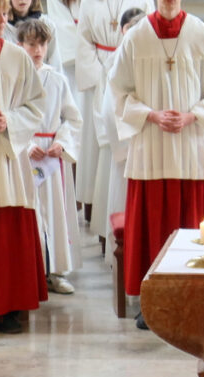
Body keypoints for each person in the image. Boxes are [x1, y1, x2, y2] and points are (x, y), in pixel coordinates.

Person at [108, 0, 204, 328]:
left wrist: (192, 116)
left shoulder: (202, 35)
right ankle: (151, 305)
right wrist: (151, 115)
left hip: (190, 148)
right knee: (151, 226)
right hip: (150, 147)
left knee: (190, 224)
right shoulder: (135, 37)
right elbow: (117, 91)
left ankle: (194, 302)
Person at [19, 18, 82, 295]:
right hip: (24, 156)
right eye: (31, 44)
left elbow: (73, 118)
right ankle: (29, 273)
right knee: (29, 214)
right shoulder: (14, 79)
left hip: (51, 157)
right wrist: (26, 144)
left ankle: (55, 272)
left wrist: (62, 142)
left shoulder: (57, 79)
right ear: (20, 45)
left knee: (55, 215)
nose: (37, 50)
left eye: (42, 44)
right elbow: (10, 119)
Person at [0, 0, 47, 335]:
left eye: (4, 13)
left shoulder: (17, 56)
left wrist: (9, 121)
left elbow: (36, 104)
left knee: (7, 232)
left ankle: (7, 307)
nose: (2, 20)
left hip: (7, 158)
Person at [76, 0, 153, 226]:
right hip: (98, 71)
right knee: (99, 150)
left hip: (134, 67)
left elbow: (150, 34)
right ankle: (93, 206)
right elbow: (83, 39)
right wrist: (101, 74)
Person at [91, 6, 142, 259]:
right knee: (123, 205)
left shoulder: (146, 59)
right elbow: (107, 109)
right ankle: (124, 262)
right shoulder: (115, 62)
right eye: (132, 29)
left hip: (145, 146)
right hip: (126, 149)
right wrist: (124, 146)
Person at [5, 0, 61, 70]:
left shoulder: (47, 24)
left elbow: (55, 61)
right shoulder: (1, 27)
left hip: (44, 74)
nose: (22, 0)